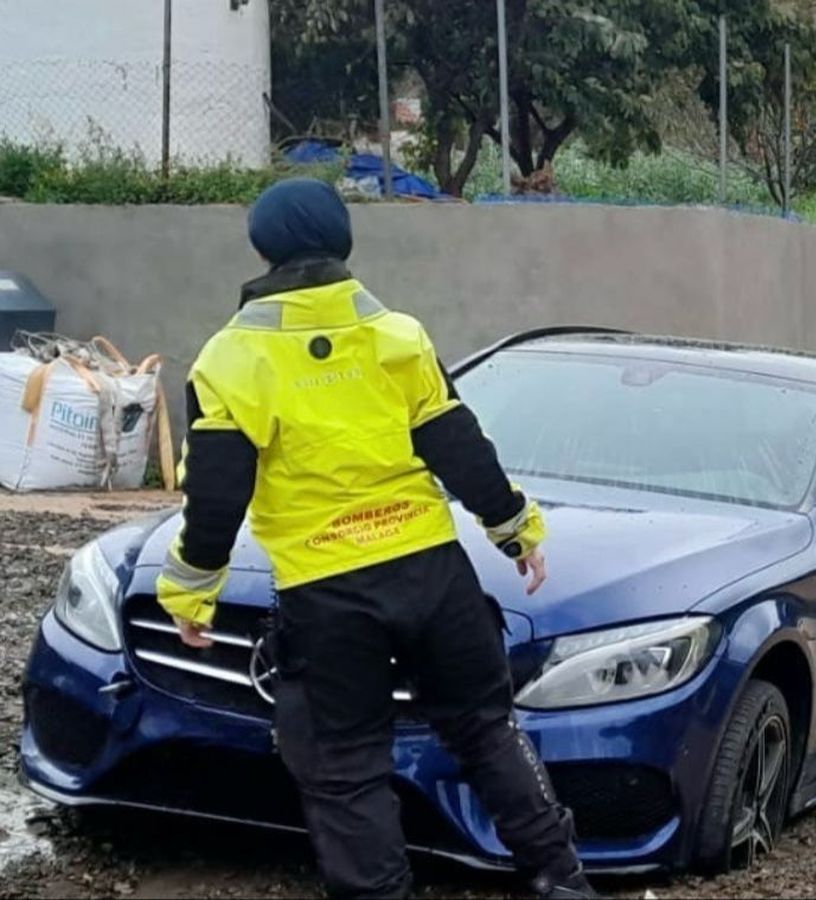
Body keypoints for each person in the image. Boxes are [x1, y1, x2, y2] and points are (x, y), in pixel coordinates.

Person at [155, 178, 593, 899]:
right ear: (343, 243)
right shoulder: (397, 336)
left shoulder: (230, 360)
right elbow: (458, 443)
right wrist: (516, 530)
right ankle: (562, 880)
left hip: (328, 595)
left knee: (345, 768)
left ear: (263, 250)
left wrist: (192, 594)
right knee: (485, 728)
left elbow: (216, 497)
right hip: (431, 570)